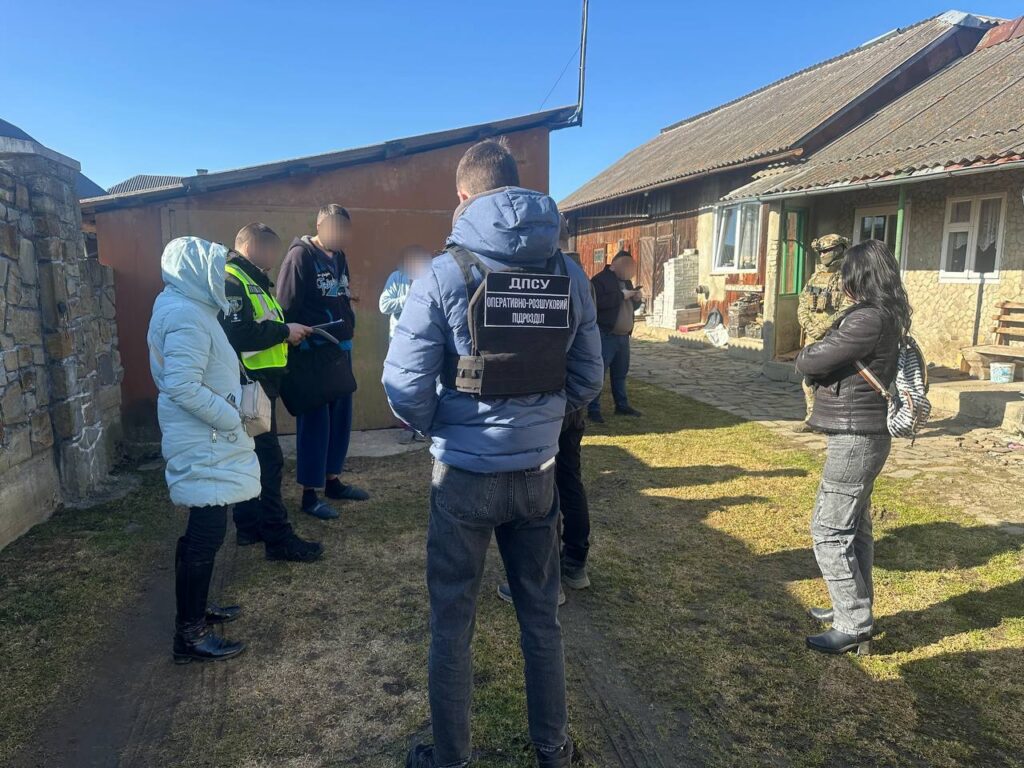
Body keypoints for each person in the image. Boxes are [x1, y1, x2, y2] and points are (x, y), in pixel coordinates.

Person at [383, 138, 603, 768]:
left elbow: (403, 383)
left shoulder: (444, 273)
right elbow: (587, 375)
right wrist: (544, 420)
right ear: (517, 184)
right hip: (538, 475)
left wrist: (442, 427)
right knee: (541, 619)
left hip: (463, 478)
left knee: (452, 624)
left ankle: (451, 758)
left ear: (463, 195)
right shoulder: (568, 273)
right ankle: (554, 750)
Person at [147, 236, 260, 663]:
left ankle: (195, 612)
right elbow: (181, 385)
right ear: (194, 270)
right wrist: (231, 417)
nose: (221, 276)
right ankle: (190, 634)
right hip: (206, 437)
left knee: (205, 530)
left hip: (206, 437)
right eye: (214, 267)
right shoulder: (185, 313)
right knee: (206, 531)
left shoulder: (187, 308)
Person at [795, 239, 908, 656]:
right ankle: (852, 607)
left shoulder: (867, 319)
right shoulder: (886, 315)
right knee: (855, 527)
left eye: (846, 272)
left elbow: (812, 359)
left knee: (829, 530)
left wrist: (809, 351)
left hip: (857, 437)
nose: (840, 278)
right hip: (865, 434)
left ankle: (853, 624)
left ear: (858, 276)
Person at [219, 223, 324, 562]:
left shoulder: (251, 279)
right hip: (250, 384)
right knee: (268, 460)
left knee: (252, 457)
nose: (275, 258)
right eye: (271, 250)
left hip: (259, 383)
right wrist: (284, 332)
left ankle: (249, 526)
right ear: (254, 247)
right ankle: (278, 539)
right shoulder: (233, 280)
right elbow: (239, 333)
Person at [277, 204, 369, 520]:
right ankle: (309, 494)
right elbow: (285, 306)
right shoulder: (300, 257)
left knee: (340, 419)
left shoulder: (338, 256)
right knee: (315, 423)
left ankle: (332, 482)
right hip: (312, 353)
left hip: (340, 349)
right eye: (335, 230)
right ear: (319, 226)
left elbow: (340, 291)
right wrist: (294, 339)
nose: (341, 237)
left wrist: (348, 309)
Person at [797, 234, 853, 427]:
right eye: (820, 252)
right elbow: (802, 304)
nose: (823, 255)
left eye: (827, 251)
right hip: (812, 338)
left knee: (833, 381)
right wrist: (808, 325)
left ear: (839, 250)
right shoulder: (815, 277)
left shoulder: (848, 277)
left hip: (834, 337)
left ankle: (831, 419)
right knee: (808, 379)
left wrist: (823, 327)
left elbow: (848, 307)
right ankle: (811, 417)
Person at [588, 250, 642, 423]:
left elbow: (630, 308)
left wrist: (636, 299)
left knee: (620, 374)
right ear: (615, 264)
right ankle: (593, 409)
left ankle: (622, 406)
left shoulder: (627, 281)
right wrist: (621, 296)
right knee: (599, 374)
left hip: (623, 337)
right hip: (606, 335)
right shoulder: (599, 280)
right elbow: (597, 303)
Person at [379, 245, 433, 340]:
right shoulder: (396, 277)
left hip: (422, 337)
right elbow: (384, 306)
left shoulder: (429, 279)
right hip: (398, 337)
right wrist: (409, 299)